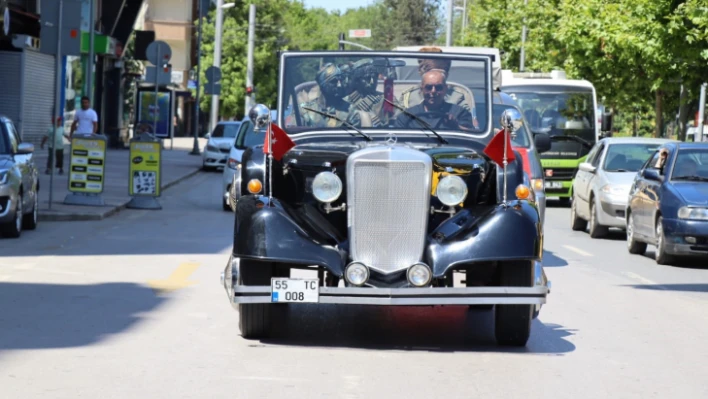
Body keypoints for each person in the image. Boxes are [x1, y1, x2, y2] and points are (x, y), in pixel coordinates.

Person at [398, 47, 478, 128]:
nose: (433, 91)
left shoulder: (458, 96)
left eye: (440, 73)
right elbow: (398, 123)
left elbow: (471, 127)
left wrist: (456, 126)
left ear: (446, 75)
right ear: (422, 74)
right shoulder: (408, 96)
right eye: (432, 73)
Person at [396, 69, 474, 130]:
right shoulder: (407, 116)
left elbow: (471, 136)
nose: (433, 91)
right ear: (421, 89)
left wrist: (456, 127)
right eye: (429, 87)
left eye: (438, 87)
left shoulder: (459, 113)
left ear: (445, 89)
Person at [299, 63, 351, 127]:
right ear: (322, 84)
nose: (339, 85)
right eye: (334, 81)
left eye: (340, 80)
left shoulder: (349, 109)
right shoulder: (307, 109)